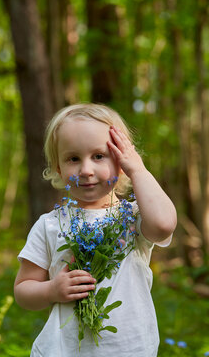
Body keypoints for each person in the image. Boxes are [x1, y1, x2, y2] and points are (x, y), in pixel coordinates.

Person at [14, 103, 177, 357]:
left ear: (121, 161)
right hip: (64, 350)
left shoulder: (133, 217)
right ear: (58, 168)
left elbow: (164, 224)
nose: (86, 170)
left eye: (99, 156)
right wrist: (51, 290)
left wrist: (138, 169)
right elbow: (23, 289)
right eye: (73, 159)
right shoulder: (50, 224)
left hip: (130, 349)